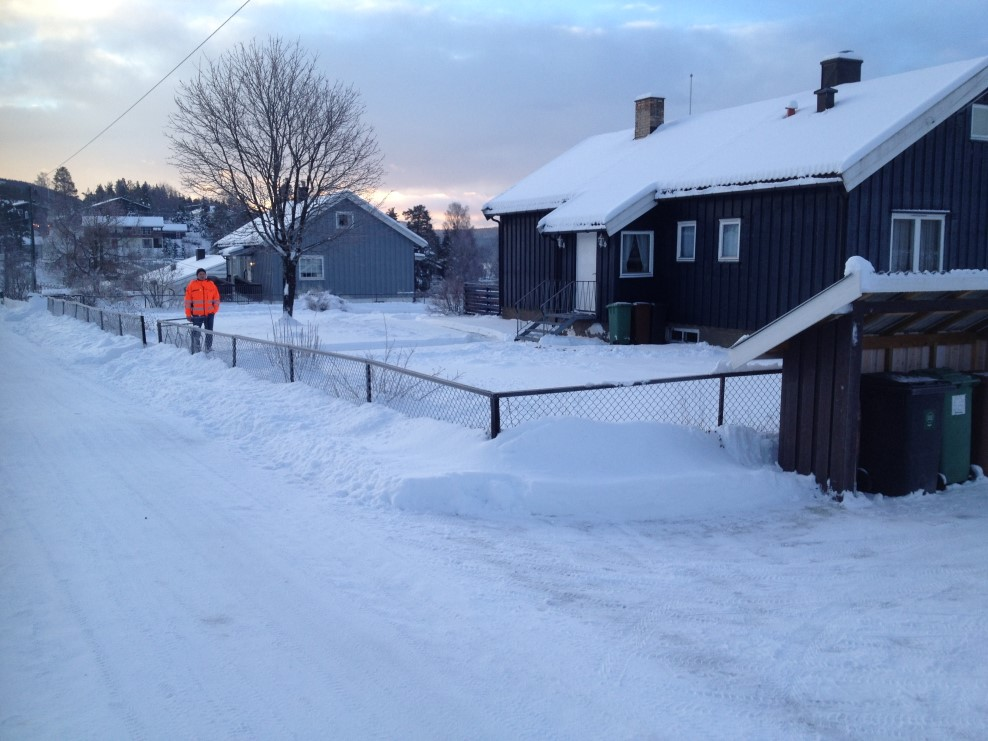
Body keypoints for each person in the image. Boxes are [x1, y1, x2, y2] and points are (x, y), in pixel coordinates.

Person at [185, 267, 220, 353]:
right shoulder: (192, 285)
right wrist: (188, 314)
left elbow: (216, 298)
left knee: (209, 331)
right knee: (196, 331)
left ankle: (208, 347)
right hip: (197, 315)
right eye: (200, 274)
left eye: (203, 274)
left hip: (209, 313)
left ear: (205, 275)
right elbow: (187, 301)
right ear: (197, 275)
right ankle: (196, 348)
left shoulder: (211, 284)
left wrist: (214, 310)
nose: (202, 275)